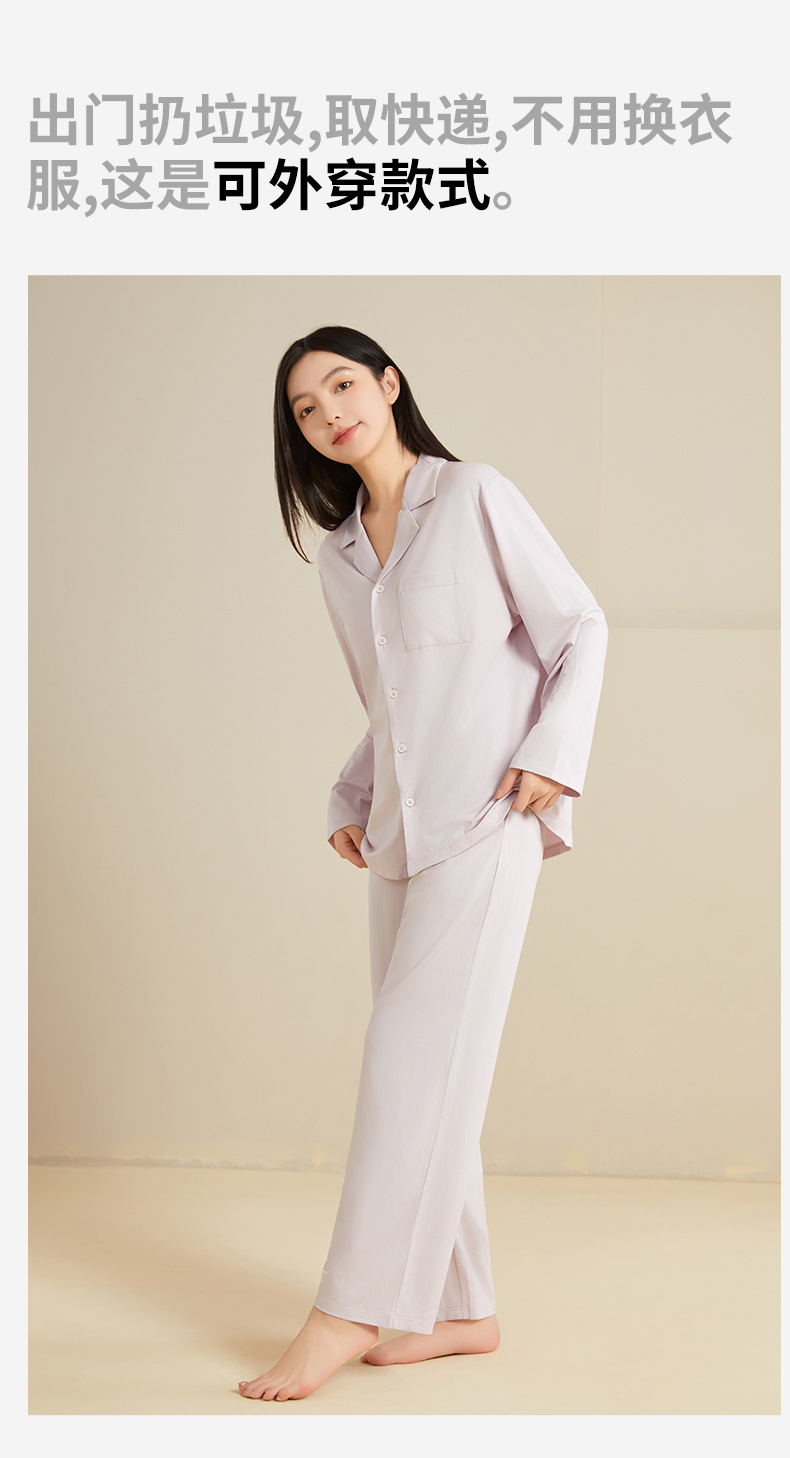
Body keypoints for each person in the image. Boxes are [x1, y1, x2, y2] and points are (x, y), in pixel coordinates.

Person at [238, 324, 608, 1402]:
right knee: (431, 1071)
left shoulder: (474, 495)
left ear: (389, 384)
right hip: (401, 832)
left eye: (342, 386)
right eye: (305, 408)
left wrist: (552, 757)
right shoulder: (341, 557)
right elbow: (390, 701)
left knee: (406, 1061)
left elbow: (579, 626)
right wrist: (351, 796)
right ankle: (462, 1308)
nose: (329, 414)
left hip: (488, 818)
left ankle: (348, 1308)